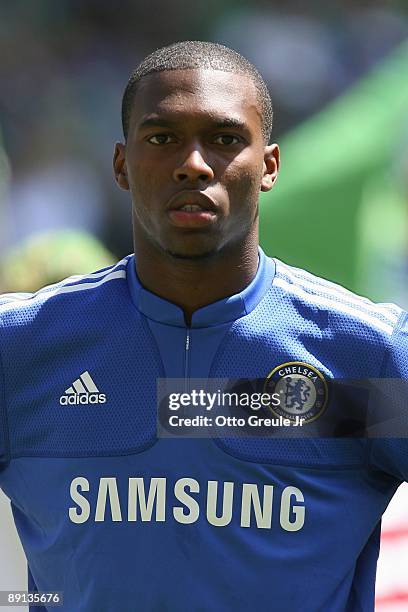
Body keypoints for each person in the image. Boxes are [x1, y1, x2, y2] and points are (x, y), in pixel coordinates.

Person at [0, 40, 407, 612]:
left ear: (269, 166)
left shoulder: (367, 356)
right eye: (162, 138)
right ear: (121, 164)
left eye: (223, 139)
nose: (192, 163)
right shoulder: (20, 349)